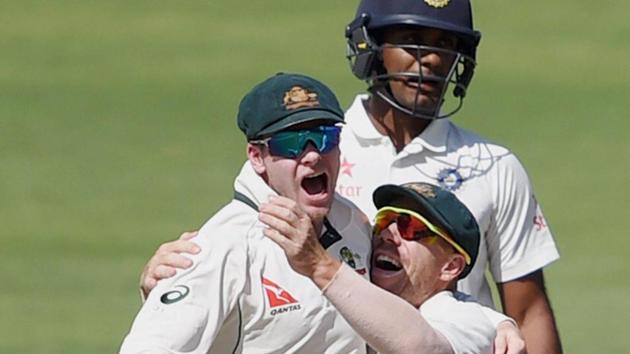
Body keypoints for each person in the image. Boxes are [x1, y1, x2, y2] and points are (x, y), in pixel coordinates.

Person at [140, 1, 562, 352]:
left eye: (445, 44)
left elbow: (527, 309)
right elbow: (242, 236)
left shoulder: (495, 165)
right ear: (372, 47)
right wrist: (182, 281)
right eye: (411, 41)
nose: (431, 59)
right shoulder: (319, 144)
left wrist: (494, 323)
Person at [120, 73, 374, 353]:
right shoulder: (219, 249)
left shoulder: (356, 225)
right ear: (256, 157)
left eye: (325, 137)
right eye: (291, 143)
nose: (312, 155)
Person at [260, 181, 524, 354]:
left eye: (412, 228)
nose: (388, 234)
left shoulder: (468, 320)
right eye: (386, 220)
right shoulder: (360, 295)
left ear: (450, 266)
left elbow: (421, 348)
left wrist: (319, 265)